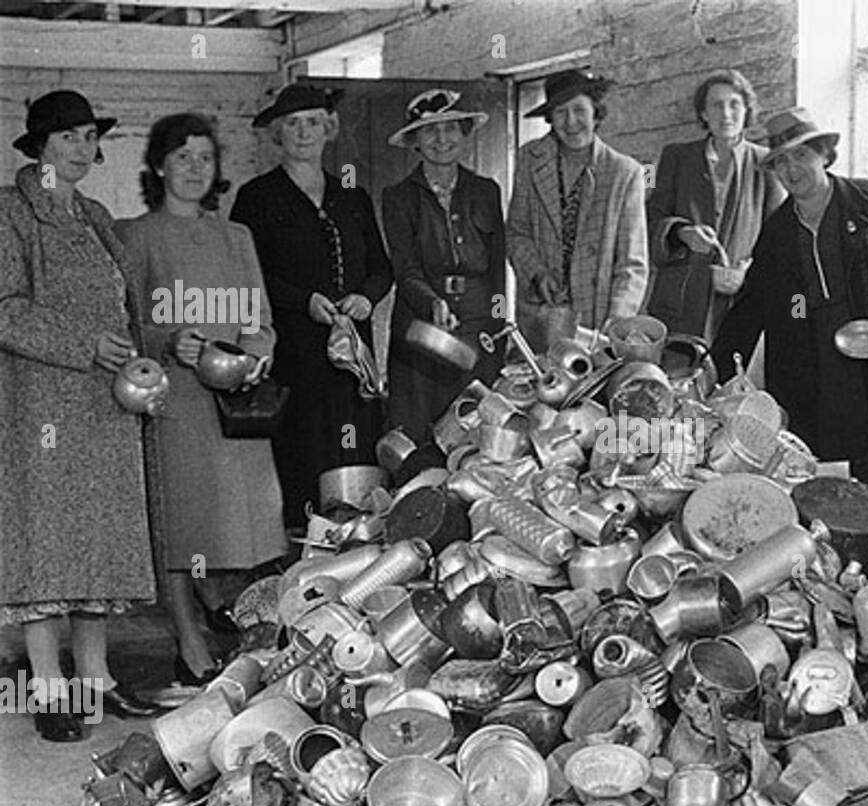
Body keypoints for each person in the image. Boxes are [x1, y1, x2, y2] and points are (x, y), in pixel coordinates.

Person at [0, 90, 159, 740]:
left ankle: (97, 680)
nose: (81, 148)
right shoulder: (10, 212)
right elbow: (4, 308)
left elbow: (122, 310)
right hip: (42, 404)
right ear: (39, 145)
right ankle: (46, 684)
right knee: (48, 541)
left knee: (99, 539)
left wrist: (142, 370)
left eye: (90, 136)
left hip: (104, 404)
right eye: (67, 136)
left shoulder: (95, 214)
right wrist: (84, 344)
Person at [710, 108, 868, 529]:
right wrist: (714, 370)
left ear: (824, 154)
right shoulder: (778, 232)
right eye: (781, 162)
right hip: (814, 377)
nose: (791, 168)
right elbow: (750, 308)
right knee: (833, 485)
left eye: (800, 155)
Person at [116, 113, 285, 684]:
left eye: (204, 158)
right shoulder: (134, 236)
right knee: (180, 523)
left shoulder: (236, 237)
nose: (193, 168)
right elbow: (124, 321)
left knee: (235, 523)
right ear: (159, 165)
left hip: (234, 401)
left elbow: (260, 319)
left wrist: (252, 355)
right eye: (182, 156)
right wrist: (167, 340)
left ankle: (224, 612)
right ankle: (188, 639)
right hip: (173, 399)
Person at [230, 84, 393, 533]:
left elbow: (383, 269)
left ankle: (358, 544)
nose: (304, 132)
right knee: (302, 447)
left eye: (313, 122)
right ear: (278, 134)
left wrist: (365, 297)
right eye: (293, 124)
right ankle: (301, 554)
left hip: (353, 356)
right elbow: (248, 273)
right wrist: (304, 301)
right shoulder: (257, 198)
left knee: (357, 446)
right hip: (295, 354)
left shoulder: (352, 197)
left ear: (329, 129)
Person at [382, 89, 506, 439]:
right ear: (415, 142)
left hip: (478, 323)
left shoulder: (486, 191)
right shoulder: (399, 197)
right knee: (420, 429)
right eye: (430, 131)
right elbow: (405, 271)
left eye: (450, 129)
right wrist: (433, 303)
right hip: (420, 328)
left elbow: (497, 269)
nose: (442, 139)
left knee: (479, 425)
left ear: (464, 134)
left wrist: (498, 328)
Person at [507, 69, 648, 351]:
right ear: (550, 119)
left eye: (579, 110)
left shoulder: (625, 172)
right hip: (542, 313)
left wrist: (618, 320)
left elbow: (633, 264)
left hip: (597, 320)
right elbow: (516, 232)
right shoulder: (528, 160)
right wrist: (536, 273)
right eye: (560, 112)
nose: (571, 122)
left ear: (596, 114)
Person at [645, 69, 785, 343]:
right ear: (704, 114)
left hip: (738, 300)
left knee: (730, 375)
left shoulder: (766, 162)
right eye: (716, 105)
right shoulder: (675, 157)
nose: (726, 114)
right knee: (677, 374)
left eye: (734, 104)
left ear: (747, 110)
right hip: (682, 297)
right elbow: (650, 220)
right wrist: (682, 233)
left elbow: (779, 237)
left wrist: (747, 271)